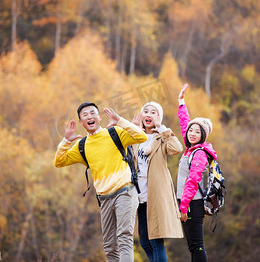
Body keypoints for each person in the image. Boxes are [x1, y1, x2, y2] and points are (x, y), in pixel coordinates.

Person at [54, 102, 147, 262]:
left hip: (125, 192)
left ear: (99, 117)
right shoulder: (82, 146)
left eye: (92, 113)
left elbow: (141, 136)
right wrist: (66, 141)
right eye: (85, 115)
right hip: (104, 199)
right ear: (81, 122)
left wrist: (120, 121)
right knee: (110, 245)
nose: (89, 116)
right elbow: (59, 161)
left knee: (124, 237)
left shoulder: (115, 133)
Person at [131, 102, 183, 262]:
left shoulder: (162, 136)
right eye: (145, 111)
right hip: (139, 194)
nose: (148, 114)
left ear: (159, 117)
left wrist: (162, 129)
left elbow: (177, 148)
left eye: (153, 112)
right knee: (145, 242)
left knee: (156, 240)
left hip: (156, 193)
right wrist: (131, 128)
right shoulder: (137, 136)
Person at [176, 84, 217, 262]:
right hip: (187, 202)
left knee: (197, 246)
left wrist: (184, 207)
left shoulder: (199, 154)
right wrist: (181, 102)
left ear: (203, 136)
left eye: (197, 131)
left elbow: (193, 181)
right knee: (193, 246)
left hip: (192, 203)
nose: (192, 133)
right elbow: (185, 125)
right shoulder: (191, 149)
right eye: (191, 130)